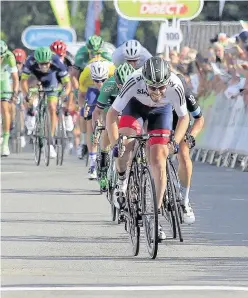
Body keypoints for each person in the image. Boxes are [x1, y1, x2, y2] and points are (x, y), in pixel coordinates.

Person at [106, 56, 190, 240]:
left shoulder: (175, 85)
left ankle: (154, 217)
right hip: (135, 107)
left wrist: (174, 141)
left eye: (162, 88)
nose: (158, 92)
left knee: (159, 158)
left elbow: (184, 118)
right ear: (145, 81)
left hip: (161, 112)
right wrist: (115, 143)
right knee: (126, 144)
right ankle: (122, 179)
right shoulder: (134, 80)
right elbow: (112, 114)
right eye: (153, 87)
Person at [21, 46, 71, 159]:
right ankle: (31, 112)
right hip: (35, 77)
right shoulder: (30, 61)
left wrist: (64, 93)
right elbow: (23, 81)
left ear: (50, 61)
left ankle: (50, 141)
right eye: (41, 64)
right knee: (30, 91)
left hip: (50, 79)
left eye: (46, 64)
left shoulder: (57, 61)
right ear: (36, 61)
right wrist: (26, 95)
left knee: (52, 108)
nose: (44, 66)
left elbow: (67, 83)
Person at [92, 62, 135, 190]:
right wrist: (96, 128)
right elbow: (97, 111)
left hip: (129, 109)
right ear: (116, 82)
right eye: (121, 85)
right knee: (107, 129)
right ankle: (103, 167)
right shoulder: (108, 85)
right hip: (111, 108)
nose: (124, 88)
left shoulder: (138, 84)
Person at [172, 67, 205, 224]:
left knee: (184, 152)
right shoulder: (155, 90)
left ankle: (185, 200)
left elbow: (199, 119)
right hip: (159, 120)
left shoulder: (185, 92)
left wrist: (192, 136)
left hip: (181, 122)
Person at [79, 60, 115, 179]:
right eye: (96, 80)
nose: (100, 83)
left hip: (110, 89)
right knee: (90, 120)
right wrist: (83, 109)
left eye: (102, 80)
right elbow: (81, 94)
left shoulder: (112, 71)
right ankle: (93, 163)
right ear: (92, 78)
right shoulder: (85, 76)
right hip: (91, 91)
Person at [0, 40, 20, 156]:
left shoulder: (10, 57)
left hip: (4, 80)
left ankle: (5, 144)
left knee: (4, 107)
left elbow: (15, 78)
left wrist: (15, 93)